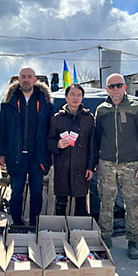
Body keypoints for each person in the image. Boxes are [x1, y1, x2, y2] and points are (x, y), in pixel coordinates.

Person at [95, 73, 138, 259]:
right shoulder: (102, 110)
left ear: (125, 87)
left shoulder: (137, 108)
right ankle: (105, 236)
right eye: (111, 86)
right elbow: (97, 138)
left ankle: (133, 240)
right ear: (107, 89)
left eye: (118, 85)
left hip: (131, 165)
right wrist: (95, 162)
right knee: (106, 202)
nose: (115, 89)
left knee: (132, 204)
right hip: (107, 164)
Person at [0, 67, 54, 226]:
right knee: (16, 192)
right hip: (16, 156)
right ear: (19, 79)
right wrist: (1, 152)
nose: (26, 79)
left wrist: (50, 153)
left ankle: (34, 224)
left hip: (38, 156)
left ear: (35, 79)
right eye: (23, 76)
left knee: (36, 192)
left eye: (29, 76)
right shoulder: (9, 102)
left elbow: (51, 129)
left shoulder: (44, 102)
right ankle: (16, 223)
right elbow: (2, 129)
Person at [47, 84, 95, 216]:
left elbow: (92, 144)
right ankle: (59, 233)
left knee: (81, 202)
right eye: (72, 94)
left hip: (81, 167)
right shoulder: (57, 118)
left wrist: (91, 167)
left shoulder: (88, 118)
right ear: (66, 97)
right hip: (62, 166)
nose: (75, 98)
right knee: (61, 203)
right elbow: (48, 141)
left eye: (79, 95)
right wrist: (57, 144)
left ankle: (79, 233)